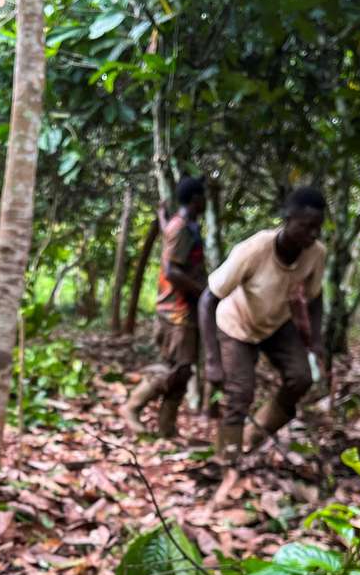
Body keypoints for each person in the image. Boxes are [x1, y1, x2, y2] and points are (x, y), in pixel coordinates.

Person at [199, 186, 327, 460]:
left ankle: (253, 436)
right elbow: (208, 299)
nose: (313, 234)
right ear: (288, 219)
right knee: (240, 394)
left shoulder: (316, 253)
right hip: (237, 325)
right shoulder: (254, 249)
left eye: (318, 227)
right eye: (306, 226)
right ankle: (227, 458)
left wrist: (316, 341)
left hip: (277, 323)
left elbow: (316, 297)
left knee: (301, 377)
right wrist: (212, 360)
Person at [121, 176, 208, 437]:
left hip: (185, 311)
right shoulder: (181, 228)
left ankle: (167, 428)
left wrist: (162, 216)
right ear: (195, 199)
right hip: (176, 311)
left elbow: (168, 238)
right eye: (203, 197)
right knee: (176, 368)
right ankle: (132, 407)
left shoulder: (183, 226)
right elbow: (171, 271)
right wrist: (204, 292)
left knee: (183, 371)